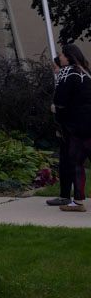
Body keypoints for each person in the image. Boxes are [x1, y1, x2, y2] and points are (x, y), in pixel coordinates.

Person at [51, 42, 91, 213]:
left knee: (76, 163)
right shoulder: (86, 73)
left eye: (61, 54)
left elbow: (60, 101)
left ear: (68, 57)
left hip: (76, 126)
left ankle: (78, 201)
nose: (59, 57)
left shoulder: (68, 74)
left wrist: (57, 116)